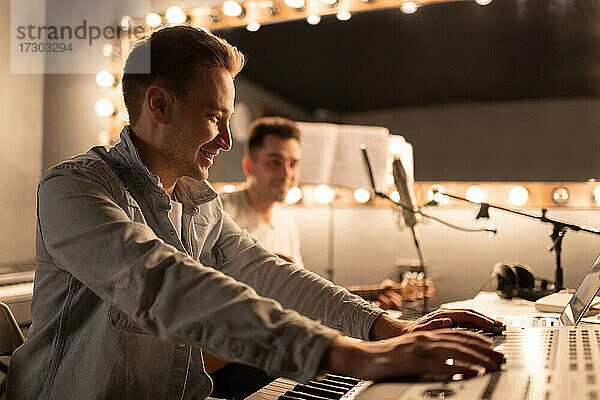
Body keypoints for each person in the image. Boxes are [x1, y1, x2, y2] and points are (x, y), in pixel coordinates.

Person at [7, 25, 504, 400]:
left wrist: (388, 328)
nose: (225, 140)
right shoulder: (74, 187)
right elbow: (158, 282)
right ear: (158, 105)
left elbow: (268, 272)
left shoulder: (197, 203)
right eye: (213, 117)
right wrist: (354, 356)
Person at [221, 116, 304, 266]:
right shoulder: (221, 212)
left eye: (293, 164)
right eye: (274, 162)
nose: (286, 174)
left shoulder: (287, 223)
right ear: (249, 166)